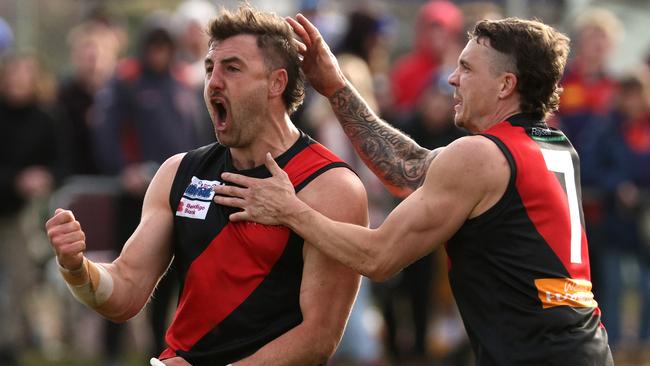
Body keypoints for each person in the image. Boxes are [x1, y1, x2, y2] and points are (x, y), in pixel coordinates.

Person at [213, 15, 614, 365]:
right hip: (583, 350)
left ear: (506, 84)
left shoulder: (479, 155)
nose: (453, 79)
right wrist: (336, 86)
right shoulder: (552, 144)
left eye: (467, 69)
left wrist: (290, 210)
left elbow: (379, 258)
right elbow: (409, 169)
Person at [46, 6, 365, 366]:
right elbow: (125, 292)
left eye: (232, 68)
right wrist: (76, 268)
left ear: (276, 83)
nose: (213, 82)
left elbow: (317, 338)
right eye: (210, 68)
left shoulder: (330, 185)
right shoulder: (179, 172)